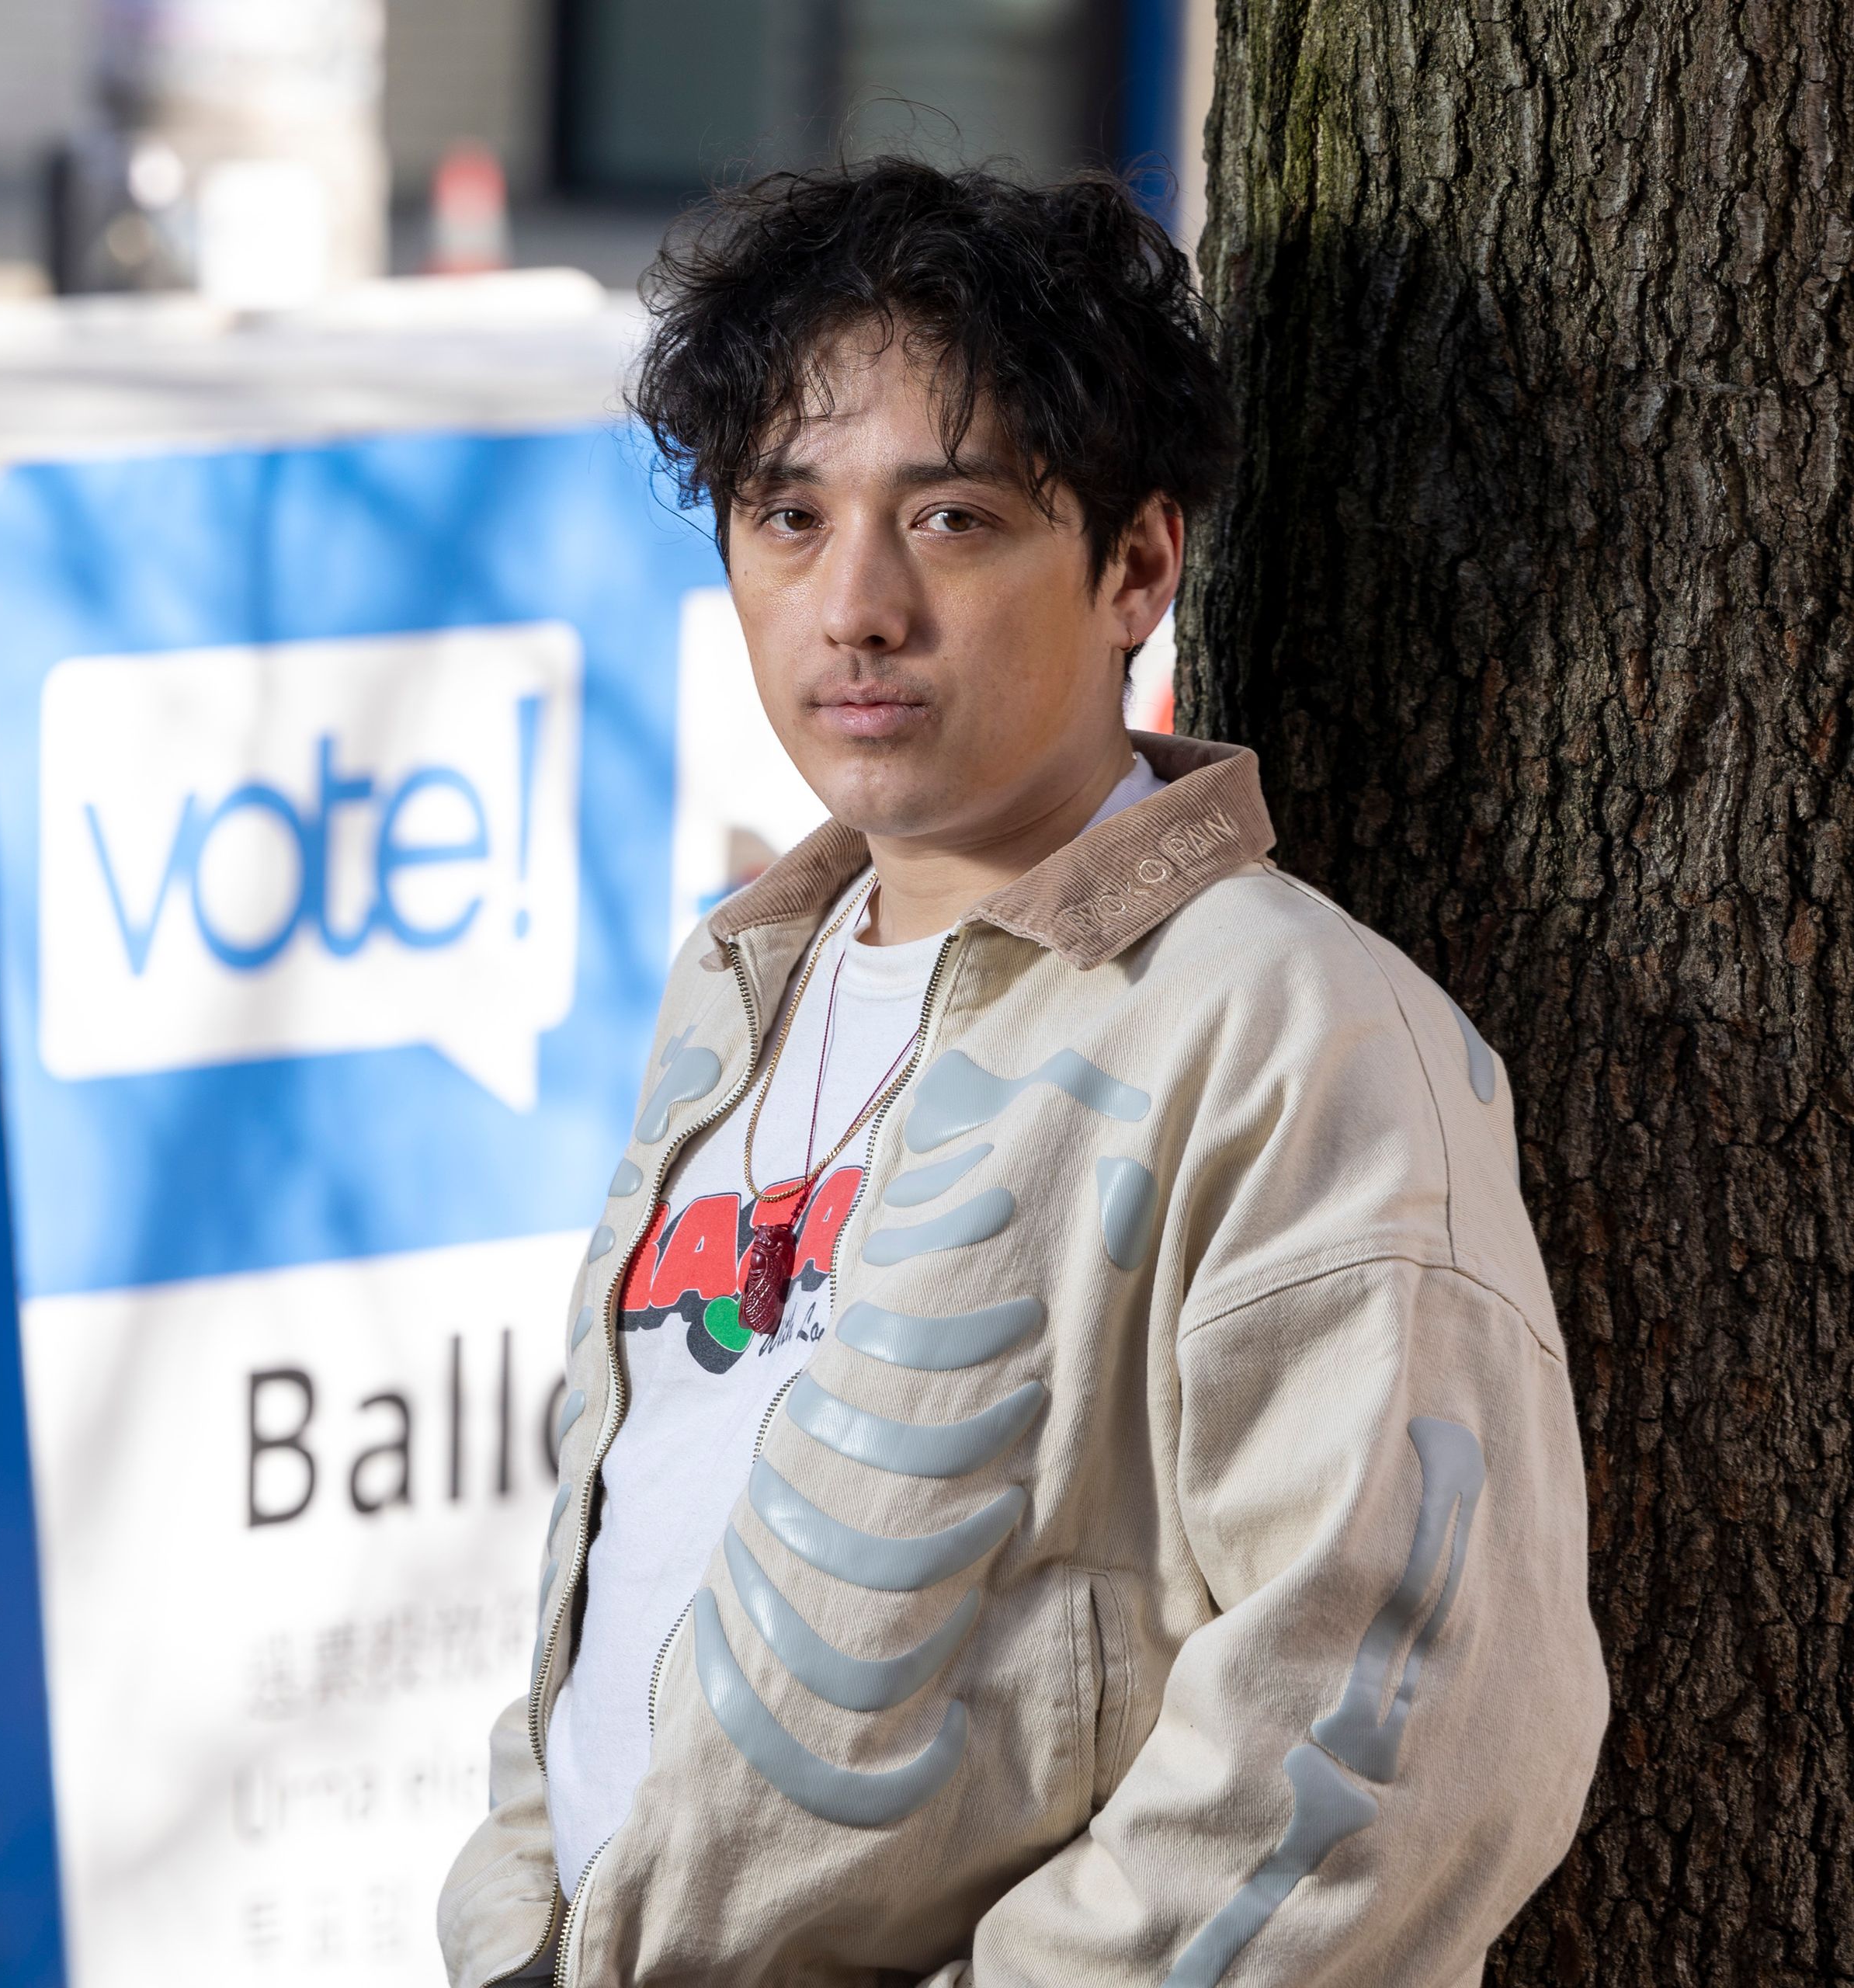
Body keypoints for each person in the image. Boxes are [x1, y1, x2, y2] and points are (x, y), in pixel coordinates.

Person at [438, 159, 1606, 1987]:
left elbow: (1403, 1721)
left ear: (1134, 561)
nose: (854, 606)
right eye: (786, 514)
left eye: (954, 517)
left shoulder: (1286, 1026)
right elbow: (633, 1530)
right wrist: (512, 1913)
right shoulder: (742, 973)